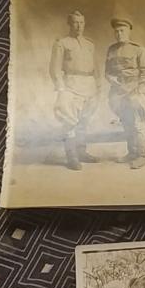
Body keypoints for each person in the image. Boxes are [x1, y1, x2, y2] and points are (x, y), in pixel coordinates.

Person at [49, 10, 102, 171]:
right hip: (71, 85)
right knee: (70, 121)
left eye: (81, 22)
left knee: (84, 121)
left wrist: (98, 85)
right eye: (75, 22)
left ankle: (82, 152)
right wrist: (61, 88)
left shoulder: (89, 44)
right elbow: (54, 68)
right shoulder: (62, 43)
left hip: (89, 84)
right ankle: (71, 156)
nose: (79, 26)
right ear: (69, 24)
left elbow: (96, 67)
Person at [105, 18, 145, 169]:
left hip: (134, 89)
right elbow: (107, 72)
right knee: (127, 123)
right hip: (118, 91)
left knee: (138, 123)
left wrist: (141, 90)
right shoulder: (111, 50)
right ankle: (131, 153)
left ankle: (141, 156)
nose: (119, 34)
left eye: (122, 31)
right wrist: (111, 79)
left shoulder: (139, 49)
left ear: (129, 31)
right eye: (116, 31)